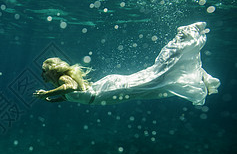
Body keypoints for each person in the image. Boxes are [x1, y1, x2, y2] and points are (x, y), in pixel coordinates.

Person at [33, 22, 220, 106]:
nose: (42, 76)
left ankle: (185, 38)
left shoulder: (64, 79)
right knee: (153, 84)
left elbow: (70, 87)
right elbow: (70, 93)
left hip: (108, 91)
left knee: (155, 79)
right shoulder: (62, 83)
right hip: (106, 91)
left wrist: (45, 94)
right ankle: (196, 77)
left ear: (52, 71)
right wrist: (54, 100)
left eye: (43, 72)